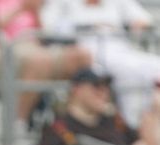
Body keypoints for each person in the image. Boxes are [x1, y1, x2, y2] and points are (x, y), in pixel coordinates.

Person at [0, 0, 91, 125]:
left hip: (35, 48)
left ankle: (74, 125)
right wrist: (19, 8)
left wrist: (35, 10)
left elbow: (43, 35)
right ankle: (16, 126)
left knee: (81, 56)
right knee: (39, 60)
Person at [41, 0, 160, 128]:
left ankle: (149, 123)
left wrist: (140, 24)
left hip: (121, 48)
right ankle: (132, 124)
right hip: (84, 49)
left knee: (154, 66)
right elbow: (48, 25)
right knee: (126, 71)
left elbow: (142, 18)